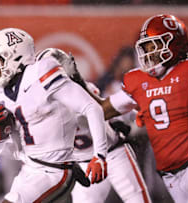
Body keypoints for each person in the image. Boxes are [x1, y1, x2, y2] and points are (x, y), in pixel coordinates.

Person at [70, 14, 188, 203]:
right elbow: (101, 110)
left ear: (173, 44)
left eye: (154, 46)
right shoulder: (138, 81)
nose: (149, 54)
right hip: (170, 174)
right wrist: (78, 85)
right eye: (146, 48)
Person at [0, 27, 108, 203]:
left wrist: (99, 156)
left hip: (54, 171)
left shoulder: (40, 72)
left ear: (15, 55)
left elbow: (92, 107)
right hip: (28, 170)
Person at [37, 48, 151, 203]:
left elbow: (96, 108)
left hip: (112, 154)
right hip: (84, 163)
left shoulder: (84, 90)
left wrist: (78, 81)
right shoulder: (36, 102)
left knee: (138, 200)